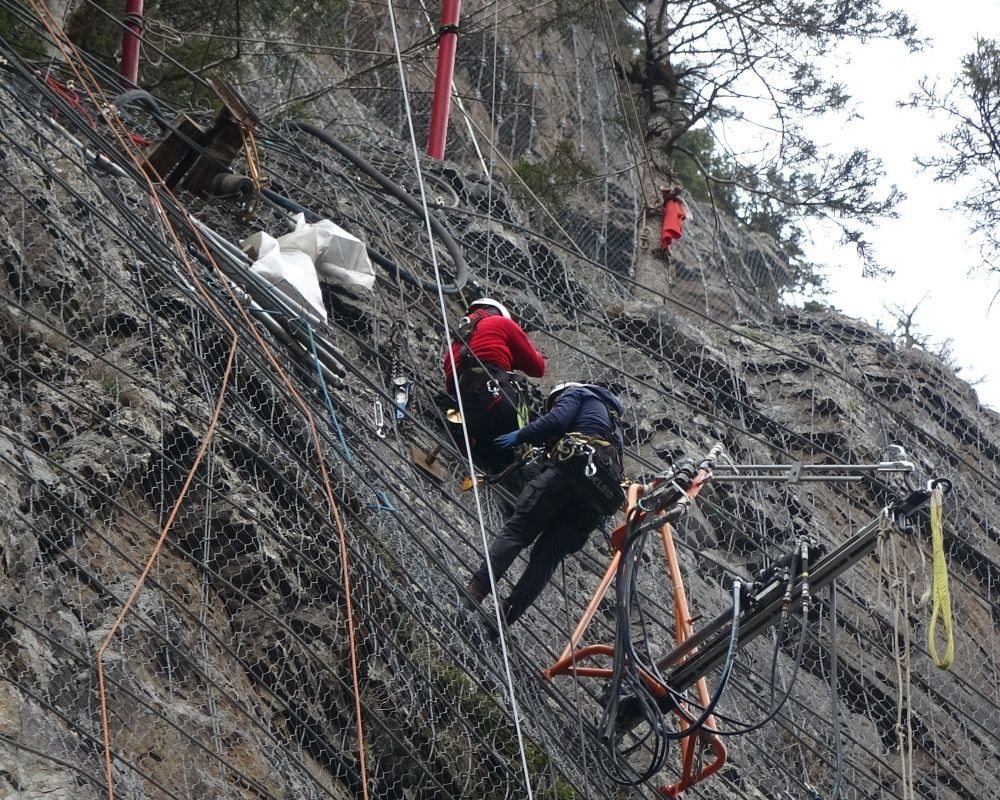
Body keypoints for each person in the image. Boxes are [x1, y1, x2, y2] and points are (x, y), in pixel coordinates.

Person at [461, 382, 625, 630]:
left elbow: (558, 420)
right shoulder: (614, 427)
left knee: (518, 531)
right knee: (547, 558)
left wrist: (521, 435)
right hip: (597, 498)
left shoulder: (578, 392)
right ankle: (503, 620)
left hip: (571, 471)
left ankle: (474, 594)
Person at [443, 298, 546, 475]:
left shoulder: (453, 347)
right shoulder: (501, 323)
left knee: (498, 454)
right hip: (501, 403)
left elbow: (450, 385)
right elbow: (538, 368)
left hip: (468, 415)